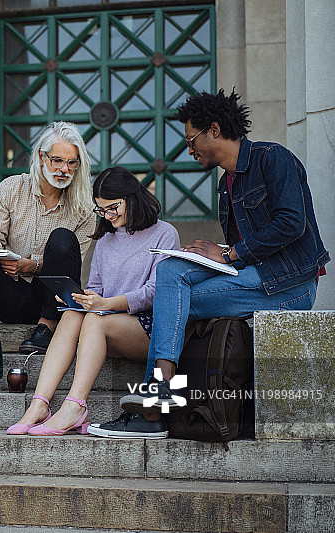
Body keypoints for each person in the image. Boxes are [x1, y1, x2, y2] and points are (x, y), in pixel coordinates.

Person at [91, 89, 330, 439]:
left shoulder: (272, 158)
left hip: (289, 286)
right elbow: (243, 246)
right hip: (253, 277)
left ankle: (155, 404)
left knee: (172, 301)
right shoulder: (225, 185)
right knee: (171, 271)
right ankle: (161, 395)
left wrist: (230, 254)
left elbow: (291, 223)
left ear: (214, 130)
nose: (189, 150)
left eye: (192, 140)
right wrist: (214, 252)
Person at [6, 167, 179, 436]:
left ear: (132, 197)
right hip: (104, 324)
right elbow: (96, 288)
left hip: (148, 329)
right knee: (73, 314)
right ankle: (39, 404)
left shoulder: (165, 233)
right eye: (102, 211)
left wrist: (105, 304)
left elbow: (157, 293)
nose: (109, 216)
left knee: (95, 321)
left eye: (113, 208)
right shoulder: (106, 239)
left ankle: (76, 406)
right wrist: (81, 299)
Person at [0, 121, 96, 393]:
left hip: (52, 301)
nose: (64, 169)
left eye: (72, 163)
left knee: (62, 238)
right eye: (58, 160)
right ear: (41, 156)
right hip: (10, 295)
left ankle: (45, 329)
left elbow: (72, 261)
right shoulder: (11, 188)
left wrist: (31, 265)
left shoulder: (85, 208)